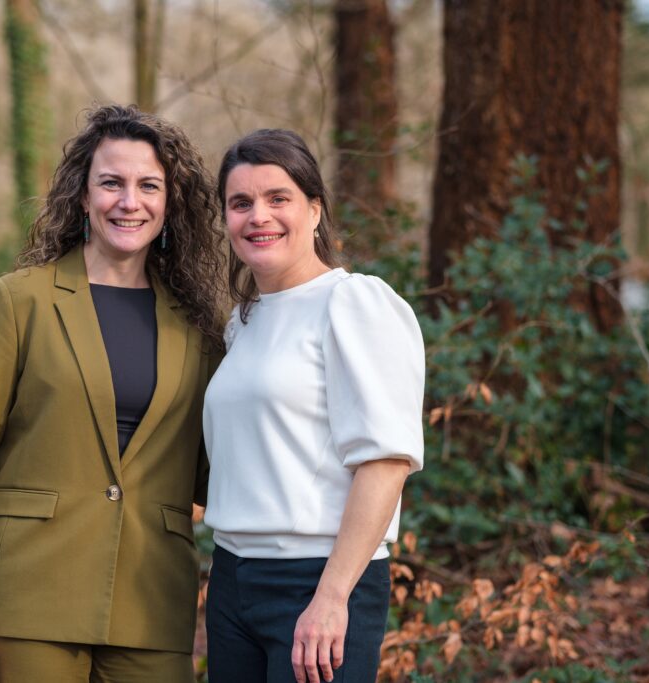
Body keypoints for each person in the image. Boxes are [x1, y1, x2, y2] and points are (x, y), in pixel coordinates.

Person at [0, 104, 225, 683]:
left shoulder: (198, 328)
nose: (128, 201)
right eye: (110, 183)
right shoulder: (18, 303)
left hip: (153, 607)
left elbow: (215, 475)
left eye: (148, 186)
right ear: (83, 195)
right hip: (28, 601)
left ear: (170, 203)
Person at [202, 129, 425, 683]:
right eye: (241, 203)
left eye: (278, 198)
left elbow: (386, 462)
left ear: (315, 210)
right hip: (231, 580)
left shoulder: (353, 302)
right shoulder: (242, 322)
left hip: (319, 582)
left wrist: (331, 597)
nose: (259, 216)